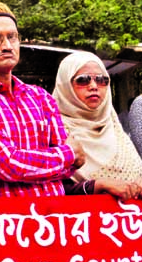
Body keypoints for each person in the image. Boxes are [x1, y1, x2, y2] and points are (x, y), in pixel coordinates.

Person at [0, 0, 85, 198]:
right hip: (4, 223)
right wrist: (67, 154)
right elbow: (8, 164)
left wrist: (3, 167)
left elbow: (70, 170)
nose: (7, 46)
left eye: (12, 37)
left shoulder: (40, 96)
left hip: (56, 219)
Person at [53, 52, 142, 199]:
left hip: (127, 220)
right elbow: (50, 190)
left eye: (102, 80)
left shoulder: (114, 128)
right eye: (83, 80)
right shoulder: (54, 131)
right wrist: (97, 185)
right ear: (65, 85)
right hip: (81, 220)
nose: (94, 86)